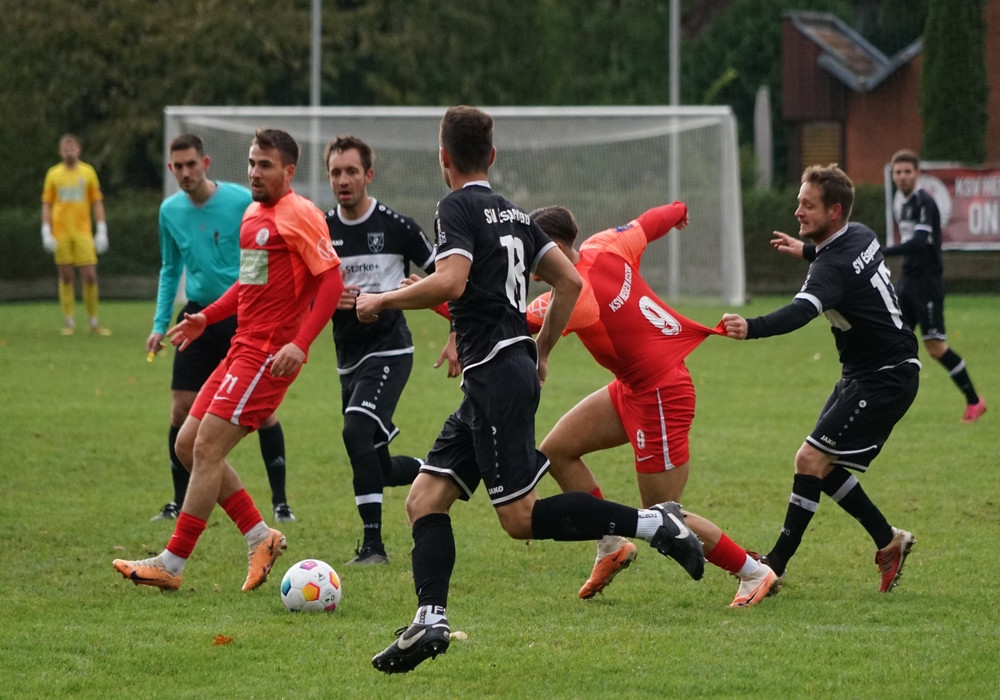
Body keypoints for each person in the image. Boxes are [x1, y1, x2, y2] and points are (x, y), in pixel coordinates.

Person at [357, 105, 705, 675]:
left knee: (519, 517)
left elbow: (451, 281)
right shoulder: (516, 215)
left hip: (496, 376)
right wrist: (540, 349)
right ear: (492, 156)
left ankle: (652, 525)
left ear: (443, 158)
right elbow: (569, 280)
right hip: (496, 376)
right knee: (423, 500)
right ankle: (430, 619)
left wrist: (382, 299)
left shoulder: (455, 206)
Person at [113, 128, 343, 592]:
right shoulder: (253, 214)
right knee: (187, 444)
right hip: (241, 347)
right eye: (252, 163)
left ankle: (171, 563)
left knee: (206, 449)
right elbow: (248, 284)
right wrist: (206, 317)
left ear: (289, 171)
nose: (255, 172)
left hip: (268, 356)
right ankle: (260, 536)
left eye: (265, 165)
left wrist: (300, 344)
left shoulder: (300, 213)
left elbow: (331, 282)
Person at [528, 203, 778, 608]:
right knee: (556, 451)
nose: (529, 267)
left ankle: (753, 571)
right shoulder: (605, 245)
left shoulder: (573, 295)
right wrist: (678, 211)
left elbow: (506, 320)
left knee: (662, 515)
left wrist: (435, 295)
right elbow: (648, 223)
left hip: (661, 394)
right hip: (633, 388)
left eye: (531, 253)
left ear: (553, 248)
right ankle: (611, 544)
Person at [721, 164, 919, 594]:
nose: (797, 211)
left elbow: (800, 312)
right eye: (799, 202)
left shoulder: (832, 267)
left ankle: (774, 566)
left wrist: (750, 327)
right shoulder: (860, 234)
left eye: (807, 205)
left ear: (834, 211)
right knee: (821, 466)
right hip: (874, 371)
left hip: (884, 377)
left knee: (810, 460)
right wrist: (808, 251)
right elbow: (844, 266)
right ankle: (888, 540)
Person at [147, 133, 296, 525]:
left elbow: (261, 267)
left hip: (242, 316)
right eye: (178, 166)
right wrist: (160, 324)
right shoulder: (169, 212)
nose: (185, 172)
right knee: (181, 409)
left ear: (206, 163)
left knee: (262, 413)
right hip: (197, 316)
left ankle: (280, 503)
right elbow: (169, 270)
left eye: (191, 164)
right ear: (171, 169)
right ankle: (178, 500)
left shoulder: (241, 201)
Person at [324, 134, 441, 565]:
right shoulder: (321, 231)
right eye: (336, 172)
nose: (343, 180)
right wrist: (327, 299)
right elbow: (304, 293)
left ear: (368, 175)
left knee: (355, 430)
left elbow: (447, 276)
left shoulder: (398, 227)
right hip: (347, 357)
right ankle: (441, 470)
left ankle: (373, 547)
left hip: (391, 349)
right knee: (379, 465)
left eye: (351, 171)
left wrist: (455, 332)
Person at [887, 149, 986, 423]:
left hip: (927, 283)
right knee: (895, 339)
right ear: (893, 176)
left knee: (935, 346)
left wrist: (883, 251)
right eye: (898, 172)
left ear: (917, 174)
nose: (903, 176)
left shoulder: (925, 202)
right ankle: (888, 401)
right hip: (907, 279)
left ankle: (975, 401)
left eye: (907, 172)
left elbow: (920, 242)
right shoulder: (902, 202)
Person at [41, 133, 111, 336]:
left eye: (72, 148)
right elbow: (47, 203)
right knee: (66, 276)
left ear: (78, 150)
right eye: (66, 148)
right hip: (61, 232)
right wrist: (46, 230)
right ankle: (69, 321)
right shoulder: (53, 174)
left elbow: (96, 201)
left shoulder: (88, 172)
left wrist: (102, 229)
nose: (69, 151)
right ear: (60, 152)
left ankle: (93, 321)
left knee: (90, 275)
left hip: (83, 232)